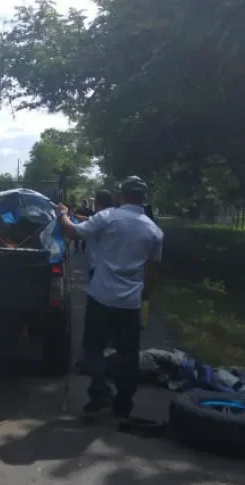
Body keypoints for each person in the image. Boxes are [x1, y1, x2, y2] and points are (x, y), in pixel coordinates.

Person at [56, 176, 164, 420]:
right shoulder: (154, 230)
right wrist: (143, 296)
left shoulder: (107, 217)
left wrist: (62, 213)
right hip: (130, 302)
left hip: (101, 297)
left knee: (93, 349)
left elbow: (72, 232)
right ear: (144, 199)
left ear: (121, 196)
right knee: (128, 354)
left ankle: (101, 391)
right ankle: (123, 403)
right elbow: (152, 271)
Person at [75, 190, 116, 280]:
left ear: (97, 202)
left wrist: (62, 214)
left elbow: (73, 232)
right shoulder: (117, 215)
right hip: (116, 266)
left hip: (98, 267)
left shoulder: (100, 216)